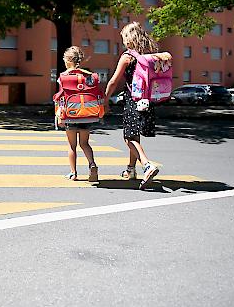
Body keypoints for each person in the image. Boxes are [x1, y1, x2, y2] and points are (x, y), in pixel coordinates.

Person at [104, 22, 160, 190]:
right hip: (148, 100)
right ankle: (131, 170)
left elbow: (114, 81)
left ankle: (147, 165)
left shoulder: (128, 56)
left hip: (133, 100)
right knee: (135, 136)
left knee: (128, 138)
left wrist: (105, 98)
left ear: (129, 38)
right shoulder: (151, 55)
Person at [55, 46, 98, 182]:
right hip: (87, 114)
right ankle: (92, 164)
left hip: (70, 115)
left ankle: (73, 173)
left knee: (71, 145)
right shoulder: (89, 76)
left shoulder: (64, 77)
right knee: (85, 143)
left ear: (67, 60)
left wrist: (59, 115)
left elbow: (60, 98)